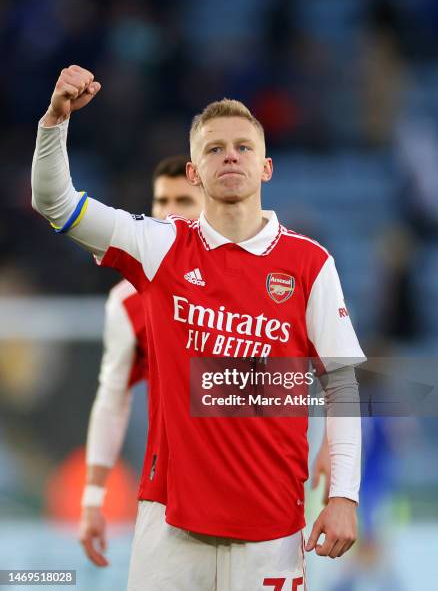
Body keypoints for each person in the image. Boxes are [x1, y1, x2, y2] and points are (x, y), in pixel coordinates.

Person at [32, 64, 365, 590]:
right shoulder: (159, 245)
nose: (229, 156)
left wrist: (343, 496)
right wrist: (55, 122)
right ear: (193, 173)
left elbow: (342, 383)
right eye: (213, 149)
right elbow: (55, 203)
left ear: (266, 167)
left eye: (242, 147)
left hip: (273, 526)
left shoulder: (309, 263)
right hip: (169, 523)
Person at [79, 155, 203, 567]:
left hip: (258, 483)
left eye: (183, 201)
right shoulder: (127, 303)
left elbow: (302, 376)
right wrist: (94, 495)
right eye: (160, 201)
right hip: (171, 492)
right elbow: (112, 398)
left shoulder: (256, 277)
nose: (169, 212)